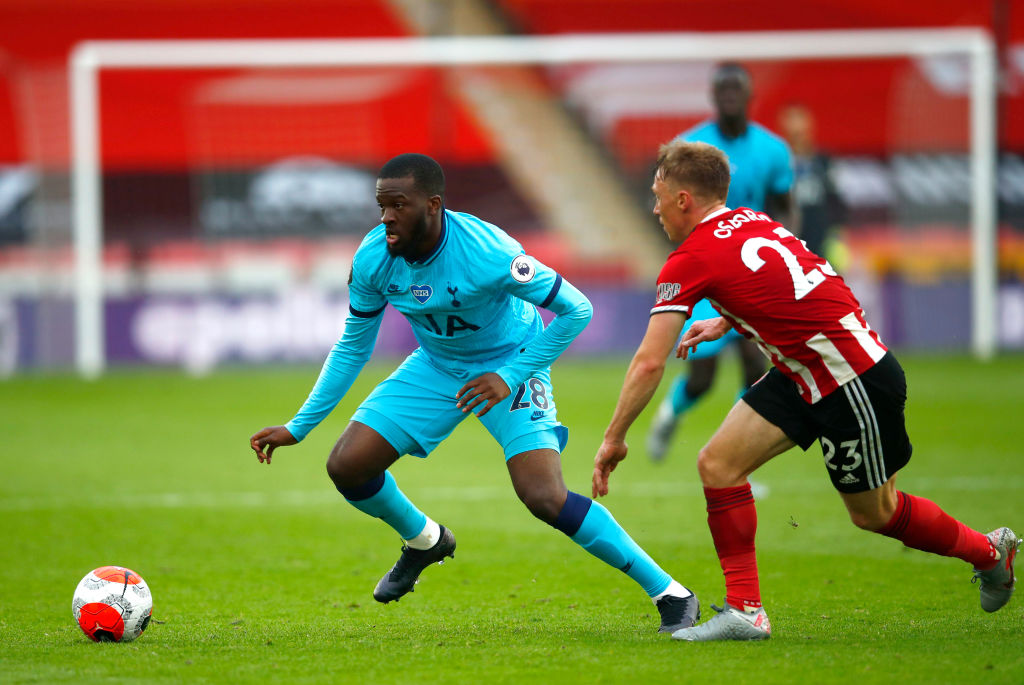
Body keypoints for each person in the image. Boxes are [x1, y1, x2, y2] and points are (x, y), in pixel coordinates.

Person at [249, 153, 700, 633]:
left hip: (514, 363)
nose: (386, 217)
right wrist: (299, 426)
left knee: (543, 496)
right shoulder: (374, 257)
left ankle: (671, 594)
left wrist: (510, 375)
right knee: (347, 466)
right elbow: (352, 348)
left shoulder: (488, 251)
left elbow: (577, 310)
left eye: (398, 205)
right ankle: (425, 540)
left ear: (433, 205)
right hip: (438, 365)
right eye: (381, 206)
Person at [593, 140, 1019, 641]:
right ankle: (746, 612)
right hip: (805, 369)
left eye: (658, 194)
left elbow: (648, 362)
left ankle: (989, 551)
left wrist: (614, 437)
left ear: (684, 199)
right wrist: (726, 323)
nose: (654, 207)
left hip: (849, 378)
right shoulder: (751, 220)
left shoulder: (689, 258)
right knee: (718, 464)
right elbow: (791, 284)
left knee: (874, 513)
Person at [647, 63, 794, 464]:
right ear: (713, 97)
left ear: (749, 97)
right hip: (707, 274)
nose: (729, 96)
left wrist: (787, 258)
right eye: (722, 89)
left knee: (755, 368)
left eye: (736, 89)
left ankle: (736, 451)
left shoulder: (774, 150)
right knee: (702, 377)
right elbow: (665, 206)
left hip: (754, 275)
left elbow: (784, 210)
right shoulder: (690, 148)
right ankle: (668, 415)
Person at [779, 102, 846, 260]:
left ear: (809, 127)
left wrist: (838, 235)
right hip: (790, 240)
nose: (797, 133)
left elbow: (835, 198)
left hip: (822, 240)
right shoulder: (779, 163)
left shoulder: (824, 162)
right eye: (794, 133)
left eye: (800, 132)